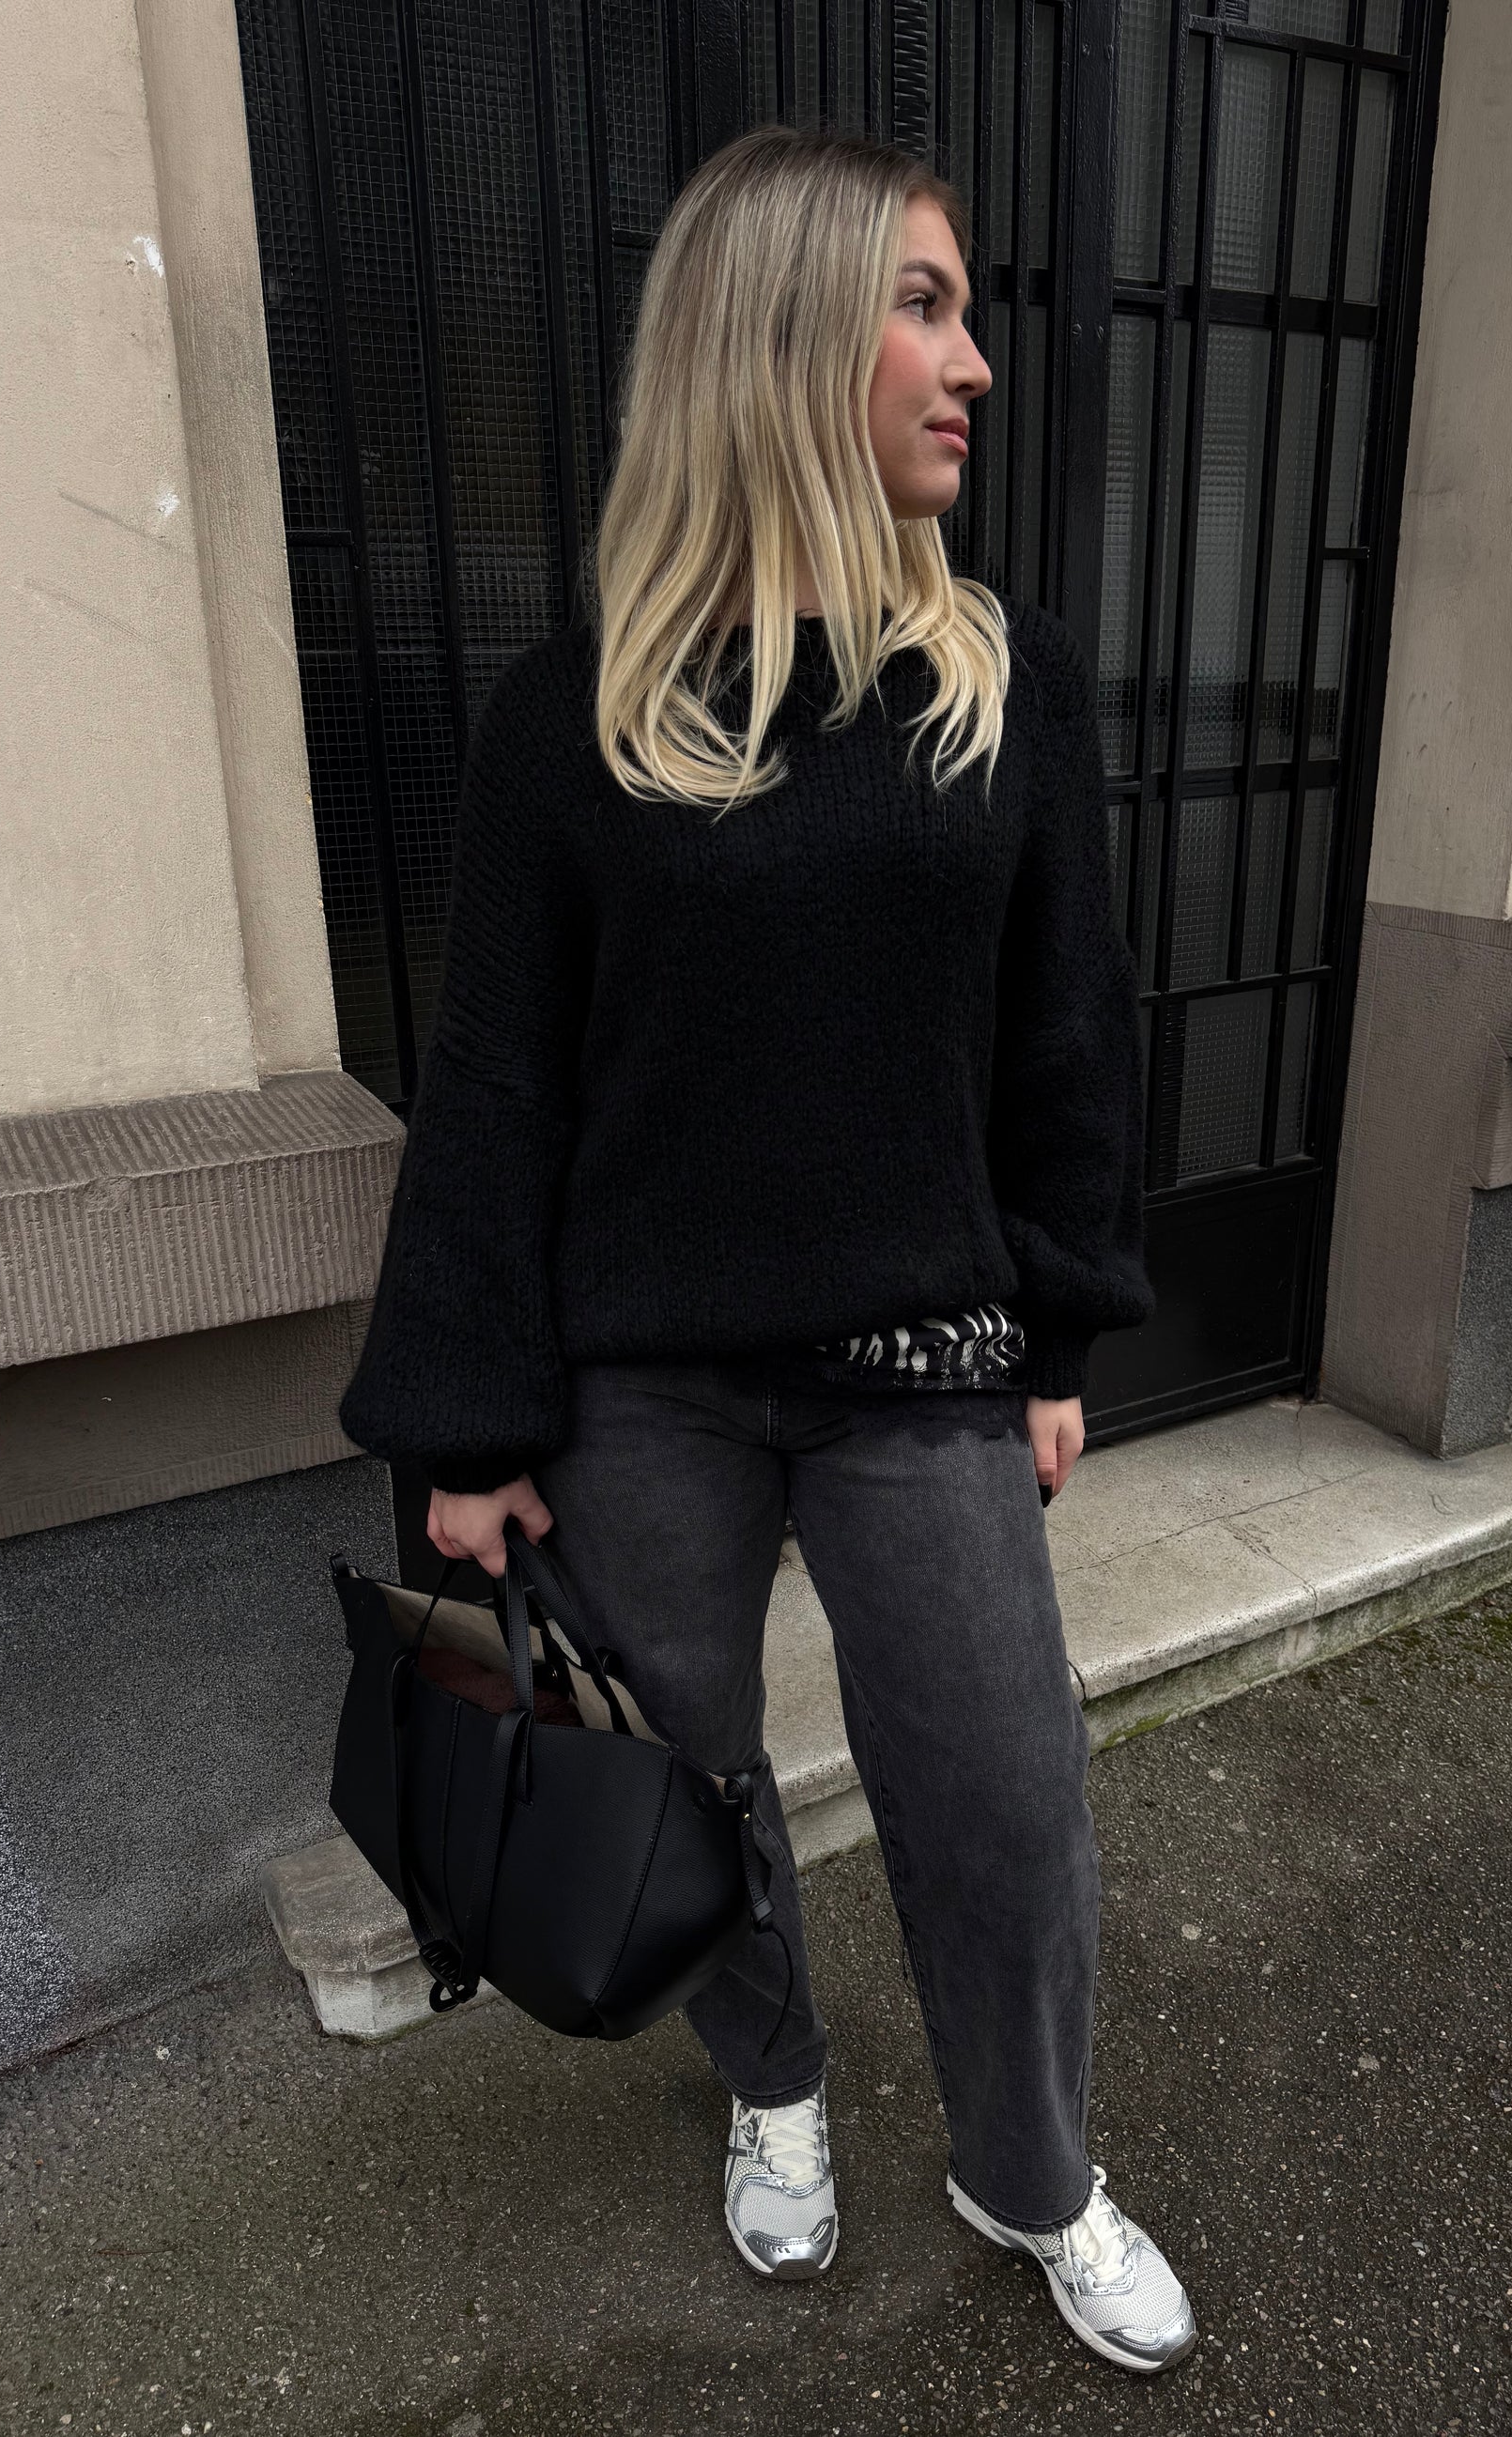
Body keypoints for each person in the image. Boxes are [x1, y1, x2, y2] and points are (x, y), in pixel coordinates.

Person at [339, 122, 1196, 2376]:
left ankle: (1031, 2167)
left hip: (923, 1356)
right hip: (646, 1383)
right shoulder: (574, 719)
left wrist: (1056, 1332)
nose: (974, 360)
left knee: (1004, 1796)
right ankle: (776, 2082)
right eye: (922, 304)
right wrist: (466, 1427)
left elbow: (1067, 1037)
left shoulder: (1003, 685)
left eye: (963, 309)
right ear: (785, 338)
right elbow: (496, 1090)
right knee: (691, 1778)